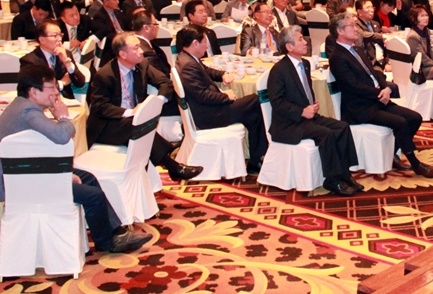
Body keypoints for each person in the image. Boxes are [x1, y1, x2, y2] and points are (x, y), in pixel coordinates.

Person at [0, 66, 152, 252]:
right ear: (33, 91)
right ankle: (107, 242)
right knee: (93, 196)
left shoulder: (21, 106)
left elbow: (37, 151)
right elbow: (61, 136)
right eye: (52, 87)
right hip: (24, 184)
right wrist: (63, 117)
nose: (56, 92)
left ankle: (116, 233)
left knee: (88, 177)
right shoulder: (28, 112)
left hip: (30, 172)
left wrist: (65, 172)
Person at [328, 13, 433, 178]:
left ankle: (392, 153)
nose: (356, 29)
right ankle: (416, 164)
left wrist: (385, 87)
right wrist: (379, 92)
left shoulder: (356, 49)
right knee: (400, 122)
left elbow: (375, 73)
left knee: (415, 118)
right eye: (352, 25)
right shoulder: (337, 57)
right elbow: (353, 87)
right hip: (358, 107)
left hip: (375, 100)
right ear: (340, 31)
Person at [87, 32, 203, 182]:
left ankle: (170, 167)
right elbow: (99, 107)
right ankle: (172, 165)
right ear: (122, 54)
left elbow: (164, 82)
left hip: (133, 122)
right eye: (135, 48)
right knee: (137, 125)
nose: (141, 51)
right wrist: (130, 112)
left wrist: (158, 102)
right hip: (107, 126)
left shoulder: (141, 65)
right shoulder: (105, 75)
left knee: (139, 125)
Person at [269, 26, 362, 195]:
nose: (305, 42)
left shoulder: (305, 64)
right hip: (288, 123)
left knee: (342, 127)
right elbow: (277, 102)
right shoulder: (279, 70)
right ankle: (332, 179)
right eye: (300, 39)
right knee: (326, 134)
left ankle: (345, 173)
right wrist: (301, 111)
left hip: (307, 116)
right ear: (289, 47)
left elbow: (302, 91)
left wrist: (312, 103)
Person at [175, 25, 268, 174]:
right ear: (195, 43)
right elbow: (202, 95)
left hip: (208, 110)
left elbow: (206, 71)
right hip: (209, 115)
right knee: (255, 101)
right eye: (204, 42)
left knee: (253, 115)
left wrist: (222, 74)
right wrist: (225, 96)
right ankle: (258, 157)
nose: (207, 46)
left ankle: (255, 160)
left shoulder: (186, 58)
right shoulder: (188, 66)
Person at [20, 19, 86, 99]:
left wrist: (67, 62)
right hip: (41, 102)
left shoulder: (65, 54)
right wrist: (61, 83)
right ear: (42, 40)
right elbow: (34, 89)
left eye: (60, 35)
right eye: (55, 36)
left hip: (65, 100)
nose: (59, 39)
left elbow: (80, 83)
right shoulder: (30, 61)